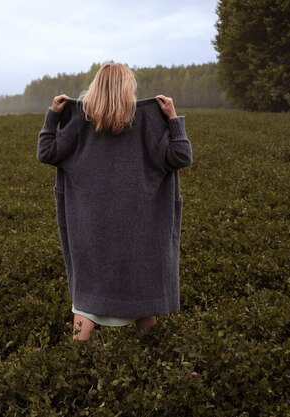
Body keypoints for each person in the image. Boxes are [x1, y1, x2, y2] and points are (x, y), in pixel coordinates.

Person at [37, 62, 193, 341]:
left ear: (95, 88)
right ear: (128, 89)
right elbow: (180, 157)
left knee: (85, 303)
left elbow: (46, 152)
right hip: (139, 232)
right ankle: (154, 367)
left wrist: (53, 117)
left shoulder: (78, 124)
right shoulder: (147, 123)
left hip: (90, 231)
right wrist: (172, 118)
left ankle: (72, 369)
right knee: (144, 298)